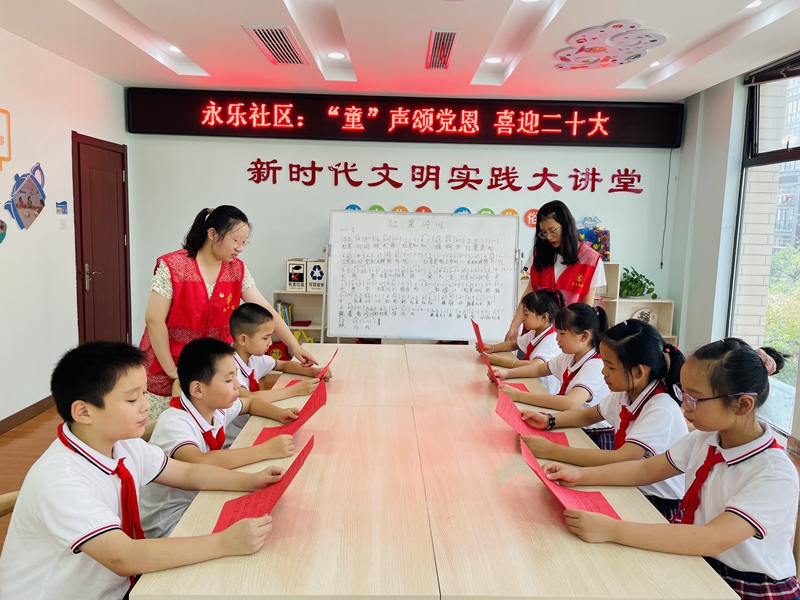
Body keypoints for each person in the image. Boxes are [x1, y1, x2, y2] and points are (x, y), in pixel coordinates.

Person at [0, 342, 282, 600]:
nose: (147, 405)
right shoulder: (63, 480)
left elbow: (186, 473)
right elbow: (123, 556)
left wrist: (251, 481)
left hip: (120, 585)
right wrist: (224, 542)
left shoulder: (123, 444)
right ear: (84, 412)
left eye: (145, 393)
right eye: (132, 399)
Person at [543, 339, 798, 600]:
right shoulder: (704, 439)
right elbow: (644, 470)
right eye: (683, 393)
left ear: (742, 405)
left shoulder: (774, 473)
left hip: (749, 586)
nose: (684, 406)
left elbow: (712, 539)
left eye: (694, 398)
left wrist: (612, 529)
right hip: (701, 561)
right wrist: (579, 475)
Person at [139, 205, 318, 417]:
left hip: (211, 367)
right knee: (166, 425)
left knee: (208, 423)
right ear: (212, 234)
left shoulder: (237, 269)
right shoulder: (173, 266)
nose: (240, 248)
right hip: (167, 362)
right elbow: (154, 320)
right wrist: (171, 370)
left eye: (244, 242)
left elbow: (266, 309)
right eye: (235, 241)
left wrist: (294, 346)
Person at [520, 320, 688, 520]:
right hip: (630, 485)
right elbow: (587, 415)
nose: (603, 371)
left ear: (638, 371)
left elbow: (622, 458)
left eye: (610, 366)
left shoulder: (661, 408)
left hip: (657, 504)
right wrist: (549, 420)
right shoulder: (626, 393)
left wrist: (550, 450)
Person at [140, 338, 298, 539]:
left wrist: (279, 413)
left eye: (236, 376)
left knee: (270, 516)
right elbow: (200, 461)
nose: (237, 385)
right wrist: (265, 450)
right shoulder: (175, 423)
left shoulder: (214, 406)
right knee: (261, 531)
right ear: (198, 389)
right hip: (172, 518)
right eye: (228, 380)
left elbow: (249, 403)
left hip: (203, 494)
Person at [497, 303, 614, 449]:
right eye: (557, 332)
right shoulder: (570, 356)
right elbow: (539, 369)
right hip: (572, 423)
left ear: (584, 336)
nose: (557, 338)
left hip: (592, 435)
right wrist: (507, 374)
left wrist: (518, 395)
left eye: (562, 334)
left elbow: (570, 403)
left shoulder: (595, 366)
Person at [226, 302, 332, 443]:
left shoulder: (252, 357)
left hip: (253, 424)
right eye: (265, 338)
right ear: (243, 339)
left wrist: (314, 371)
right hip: (236, 438)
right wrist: (294, 390)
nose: (270, 343)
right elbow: (250, 398)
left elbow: (283, 365)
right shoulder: (227, 366)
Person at [506, 200, 605, 342]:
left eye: (553, 231)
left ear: (566, 226)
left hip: (567, 338)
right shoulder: (539, 255)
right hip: (535, 334)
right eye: (543, 232)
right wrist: (514, 326)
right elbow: (529, 293)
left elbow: (586, 307)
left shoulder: (591, 260)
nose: (549, 237)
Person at [478, 289, 562, 393]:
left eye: (526, 314)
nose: (522, 318)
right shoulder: (534, 332)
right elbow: (515, 344)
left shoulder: (551, 342)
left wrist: (498, 361)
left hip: (543, 390)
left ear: (544, 317)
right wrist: (492, 348)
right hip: (530, 381)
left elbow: (535, 365)